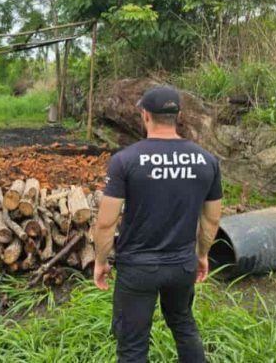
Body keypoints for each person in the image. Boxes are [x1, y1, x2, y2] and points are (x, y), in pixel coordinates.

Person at [91, 86, 222, 363]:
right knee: (184, 325)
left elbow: (105, 223)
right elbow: (211, 219)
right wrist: (201, 255)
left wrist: (101, 260)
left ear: (145, 116)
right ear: (179, 116)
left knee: (133, 345)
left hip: (138, 269)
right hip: (182, 265)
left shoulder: (125, 160)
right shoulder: (207, 161)